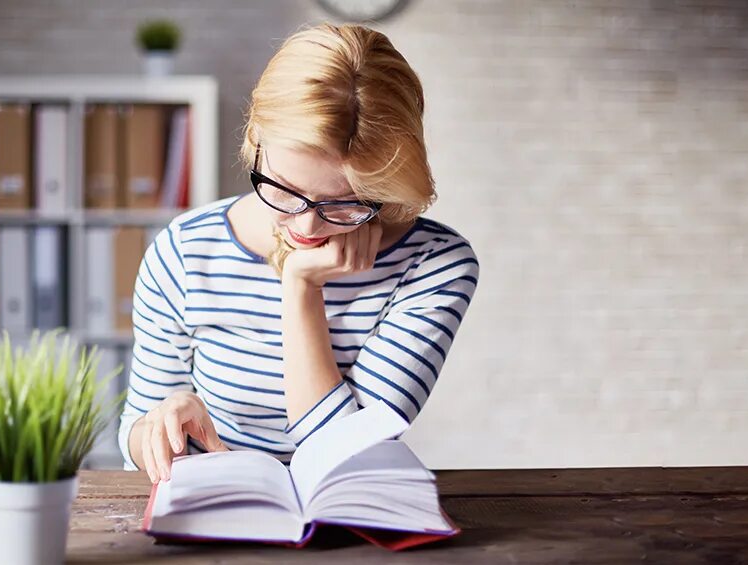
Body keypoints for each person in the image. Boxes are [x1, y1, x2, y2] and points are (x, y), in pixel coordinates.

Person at [118, 22, 479, 483]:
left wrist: (301, 285)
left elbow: (344, 455)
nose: (307, 226)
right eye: (285, 190)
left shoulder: (436, 266)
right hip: (217, 514)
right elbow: (133, 435)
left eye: (345, 202)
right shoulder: (186, 251)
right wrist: (160, 423)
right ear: (255, 141)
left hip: (348, 517)